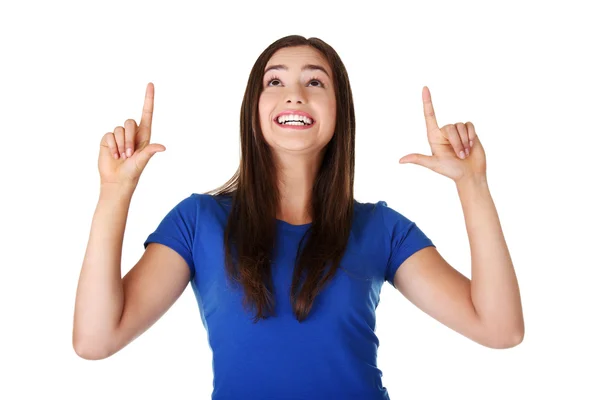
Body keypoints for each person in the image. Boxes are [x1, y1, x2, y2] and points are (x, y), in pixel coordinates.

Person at [73, 35, 524, 399]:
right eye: (275, 83)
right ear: (255, 110)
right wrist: (115, 192)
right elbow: (95, 340)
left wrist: (473, 184)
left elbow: (499, 328)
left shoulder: (381, 230)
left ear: (339, 112)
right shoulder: (198, 222)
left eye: (315, 82)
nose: (293, 94)